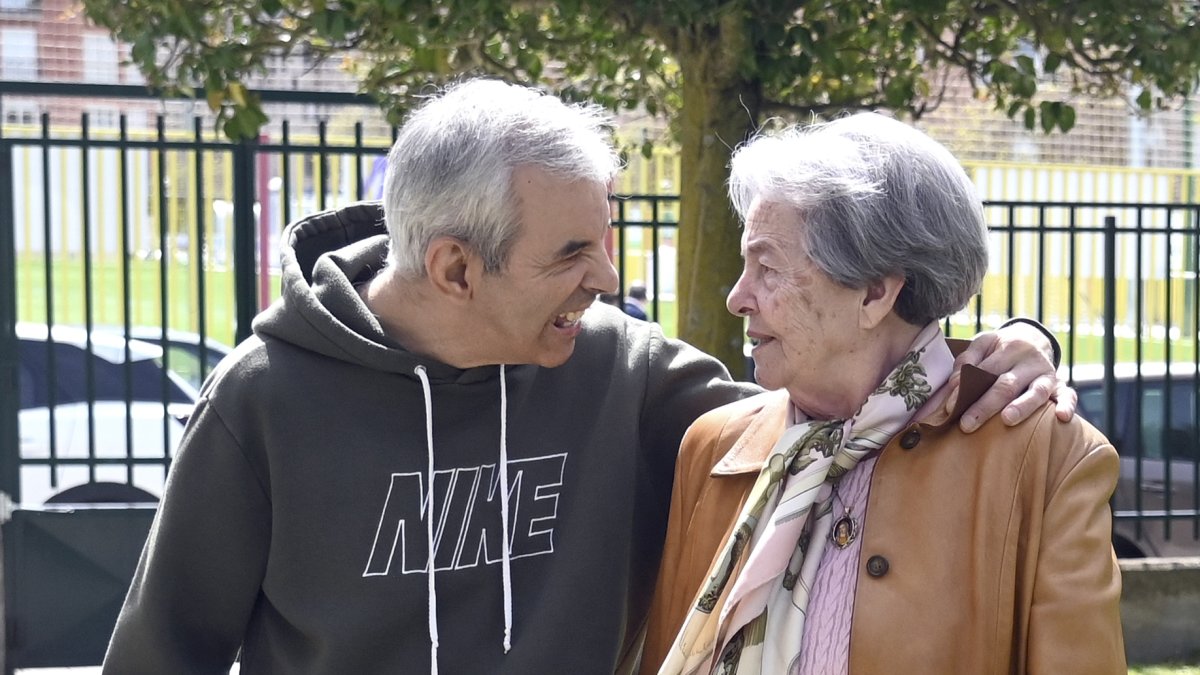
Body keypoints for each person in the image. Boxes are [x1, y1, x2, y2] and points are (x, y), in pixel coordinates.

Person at [102, 79, 1070, 674]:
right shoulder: (264, 402)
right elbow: (162, 659)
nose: (606, 282)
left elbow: (850, 406)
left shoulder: (625, 372)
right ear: (454, 268)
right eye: (571, 255)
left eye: (604, 245)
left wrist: (1008, 345)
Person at [641, 113, 1124, 674]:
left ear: (875, 293)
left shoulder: (1044, 457)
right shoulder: (715, 448)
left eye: (767, 267)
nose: (737, 298)